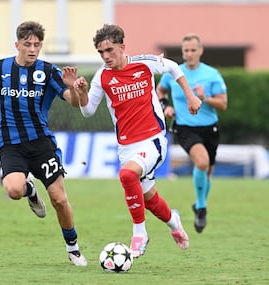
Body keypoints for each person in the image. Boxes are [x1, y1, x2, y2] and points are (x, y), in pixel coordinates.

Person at [0, 21, 87, 266]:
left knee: (59, 198)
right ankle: (31, 190)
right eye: (27, 44)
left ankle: (73, 247)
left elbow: (76, 103)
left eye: (37, 44)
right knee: (14, 190)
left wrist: (76, 88)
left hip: (41, 143)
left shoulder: (49, 71)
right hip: (11, 144)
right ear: (17, 45)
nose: (33, 49)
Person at [73, 24, 201, 258]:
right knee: (148, 199)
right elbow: (88, 110)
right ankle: (173, 221)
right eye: (101, 52)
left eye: (109, 50)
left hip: (153, 139)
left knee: (127, 175)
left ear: (122, 47)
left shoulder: (144, 63)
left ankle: (139, 233)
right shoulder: (102, 76)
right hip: (126, 146)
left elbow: (173, 67)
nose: (106, 56)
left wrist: (190, 96)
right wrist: (80, 92)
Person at [156, 33, 228, 233]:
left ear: (200, 51)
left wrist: (205, 98)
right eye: (185, 50)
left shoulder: (212, 74)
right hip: (186, 127)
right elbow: (159, 91)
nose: (189, 54)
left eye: (193, 50)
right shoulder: (173, 73)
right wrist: (166, 106)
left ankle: (199, 203)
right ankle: (202, 209)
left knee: (207, 173)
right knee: (202, 162)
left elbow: (223, 104)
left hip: (210, 128)